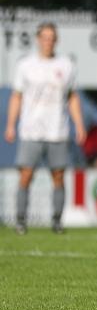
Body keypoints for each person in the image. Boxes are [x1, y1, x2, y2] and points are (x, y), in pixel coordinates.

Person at [4, 23, 86, 235]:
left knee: (58, 176)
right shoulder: (26, 65)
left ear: (56, 40)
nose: (48, 41)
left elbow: (72, 97)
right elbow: (17, 96)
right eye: (44, 37)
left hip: (57, 130)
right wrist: (11, 125)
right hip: (31, 130)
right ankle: (21, 221)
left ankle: (57, 221)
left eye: (51, 37)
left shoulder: (66, 64)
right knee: (26, 175)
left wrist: (79, 125)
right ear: (38, 39)